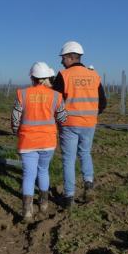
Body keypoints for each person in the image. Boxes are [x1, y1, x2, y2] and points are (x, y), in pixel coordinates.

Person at [52, 41, 107, 208]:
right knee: (85, 153)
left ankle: (69, 197)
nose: (61, 61)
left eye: (63, 58)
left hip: (69, 123)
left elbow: (54, 101)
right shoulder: (94, 75)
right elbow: (103, 103)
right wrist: (90, 114)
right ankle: (88, 184)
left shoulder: (64, 75)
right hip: (89, 123)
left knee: (69, 159)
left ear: (70, 57)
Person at [12, 62, 67, 222]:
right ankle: (43, 204)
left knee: (28, 175)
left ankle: (27, 212)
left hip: (27, 141)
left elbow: (15, 117)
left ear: (32, 77)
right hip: (48, 141)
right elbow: (63, 118)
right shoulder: (56, 95)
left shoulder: (22, 94)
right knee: (43, 171)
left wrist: (16, 131)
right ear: (47, 78)